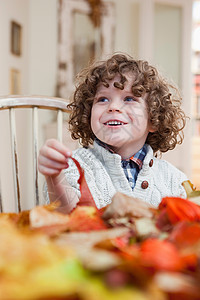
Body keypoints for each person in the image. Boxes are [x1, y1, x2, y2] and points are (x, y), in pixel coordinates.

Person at [38, 53, 188, 213]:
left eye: (129, 98)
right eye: (102, 99)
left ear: (153, 119)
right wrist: (54, 177)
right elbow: (66, 215)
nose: (113, 107)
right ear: (88, 114)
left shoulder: (174, 181)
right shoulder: (73, 166)